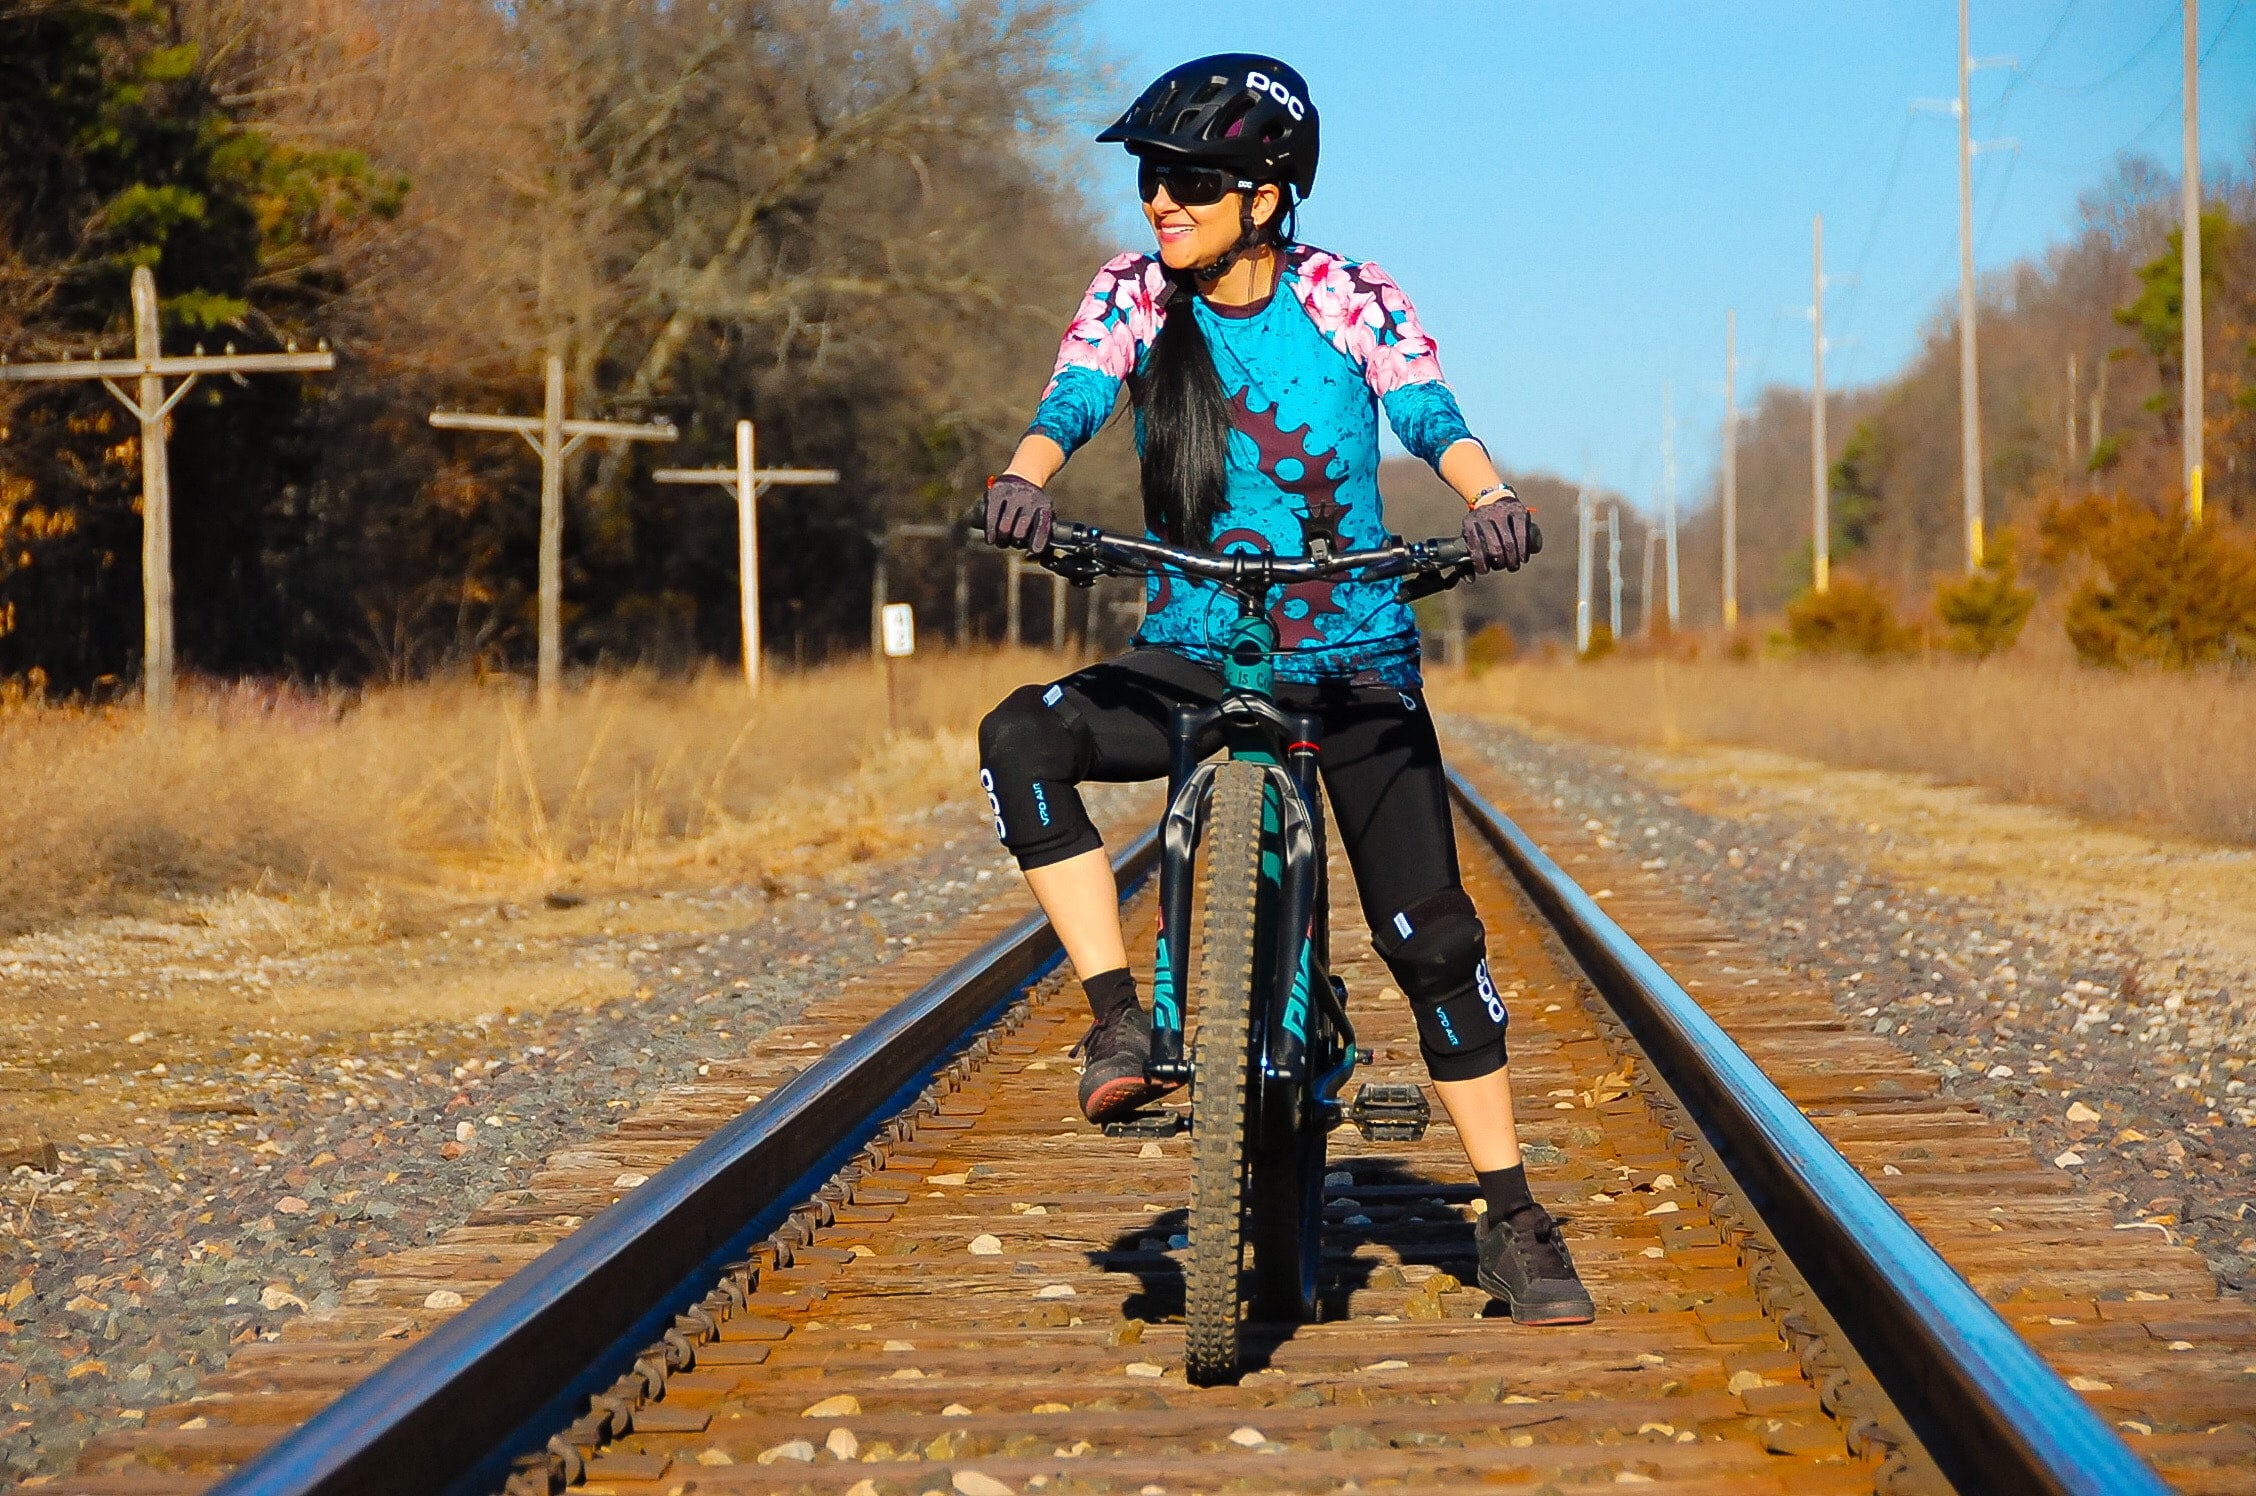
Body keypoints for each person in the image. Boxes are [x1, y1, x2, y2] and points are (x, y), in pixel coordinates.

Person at [975, 55, 1591, 1326]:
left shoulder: (1345, 292)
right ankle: (1117, 1023)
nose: (1159, 200)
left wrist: (1487, 496)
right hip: (1192, 651)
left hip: (1352, 659)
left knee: (1436, 939)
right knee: (1018, 735)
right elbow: (1081, 390)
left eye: (1188, 180)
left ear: (1265, 194)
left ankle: (1514, 1214)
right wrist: (1028, 475)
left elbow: (1424, 405)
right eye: (1152, 177)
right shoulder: (1137, 294)